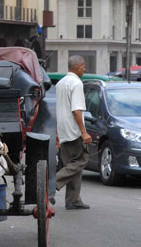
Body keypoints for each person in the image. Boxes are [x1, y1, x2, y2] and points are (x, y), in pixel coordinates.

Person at [55, 55, 91, 210]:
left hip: (63, 128)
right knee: (81, 160)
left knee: (71, 163)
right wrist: (84, 132)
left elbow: (58, 109)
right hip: (73, 129)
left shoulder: (61, 83)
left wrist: (57, 133)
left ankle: (73, 199)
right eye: (83, 66)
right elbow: (76, 110)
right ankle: (53, 184)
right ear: (77, 67)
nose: (85, 69)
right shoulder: (76, 83)